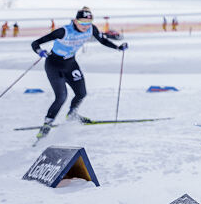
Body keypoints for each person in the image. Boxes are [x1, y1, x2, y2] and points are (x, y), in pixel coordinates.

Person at [30, 7, 128, 139]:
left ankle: (72, 115)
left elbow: (103, 40)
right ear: (75, 21)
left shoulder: (91, 29)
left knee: (81, 93)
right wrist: (40, 51)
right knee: (61, 97)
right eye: (82, 23)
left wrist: (118, 47)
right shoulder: (63, 31)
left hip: (70, 64)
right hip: (54, 65)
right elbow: (35, 43)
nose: (86, 26)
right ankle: (47, 124)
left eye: (88, 23)